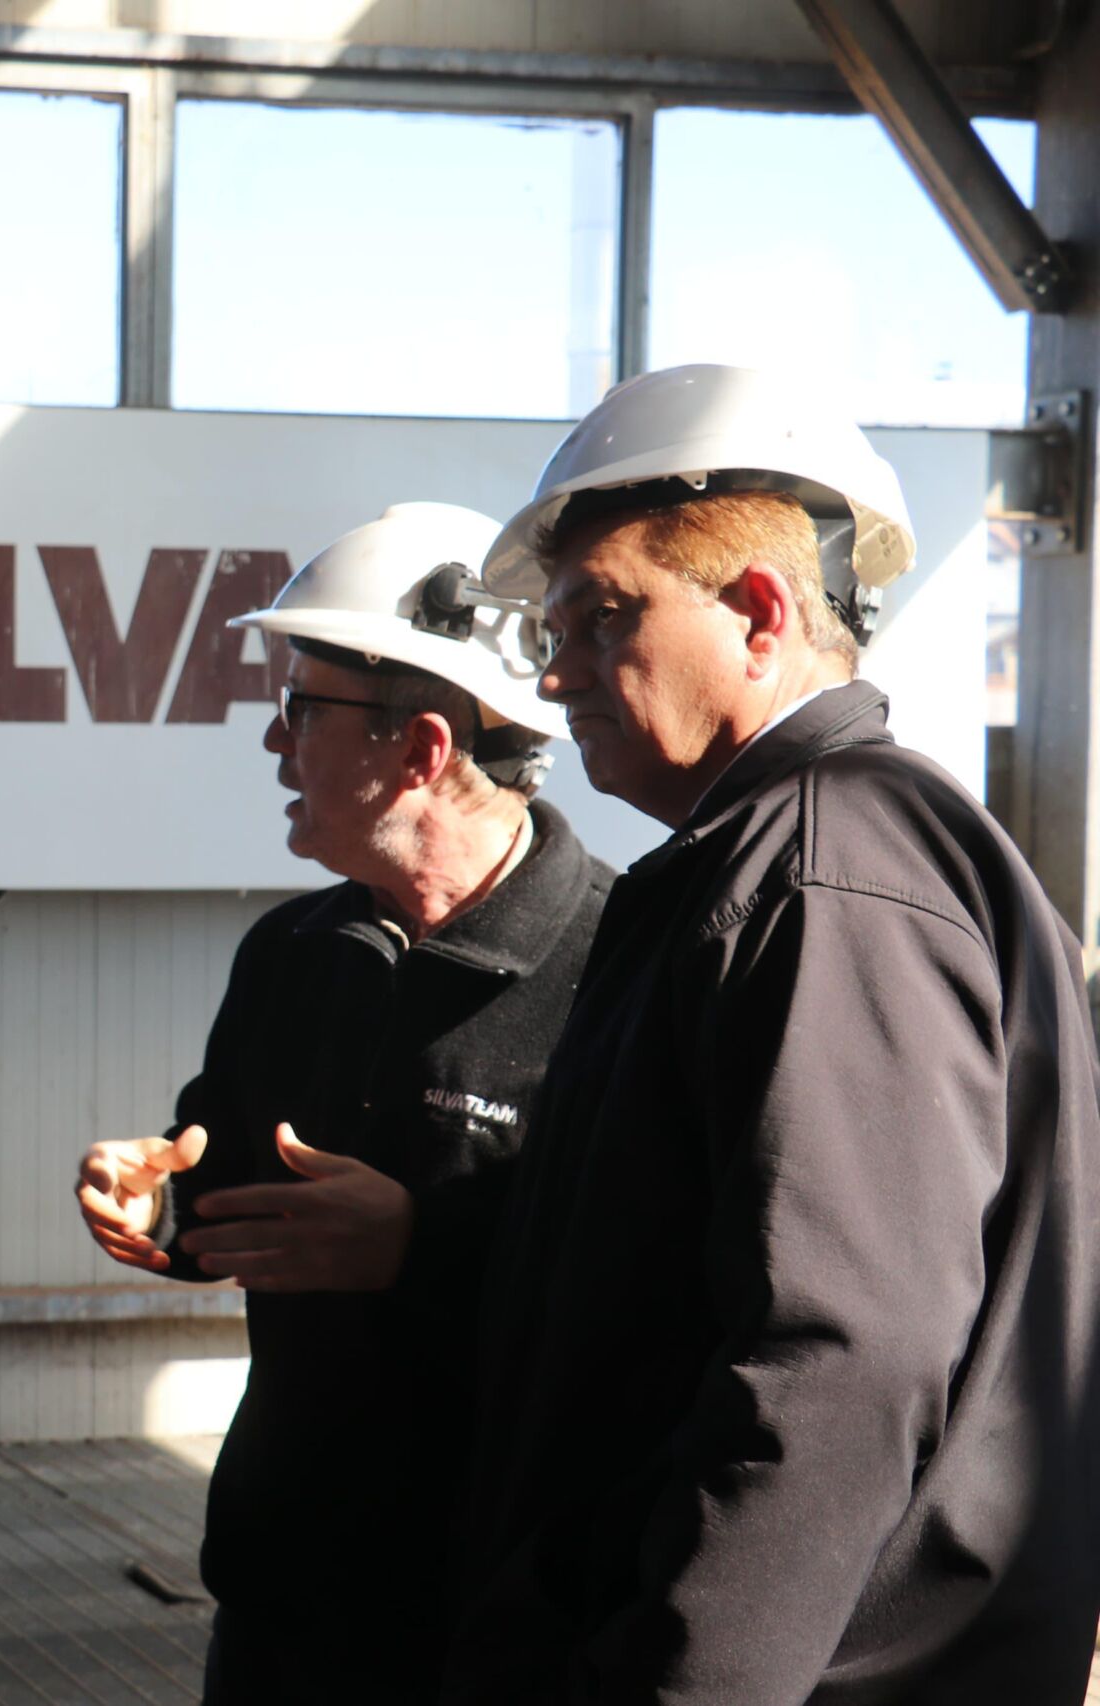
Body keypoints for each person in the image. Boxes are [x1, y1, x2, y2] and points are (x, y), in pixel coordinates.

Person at [444, 364, 1100, 1704]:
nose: (555, 674)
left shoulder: (822, 871)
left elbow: (838, 1359)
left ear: (757, 613)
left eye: (602, 615)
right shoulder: (800, 855)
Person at [74, 501, 614, 1703]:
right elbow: (230, 1201)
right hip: (280, 1619)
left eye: (301, 707)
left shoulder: (628, 966)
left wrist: (421, 1246)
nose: (274, 741)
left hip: (508, 1636)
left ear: (419, 747)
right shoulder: (292, 954)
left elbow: (652, 1296)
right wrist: (158, 1205)